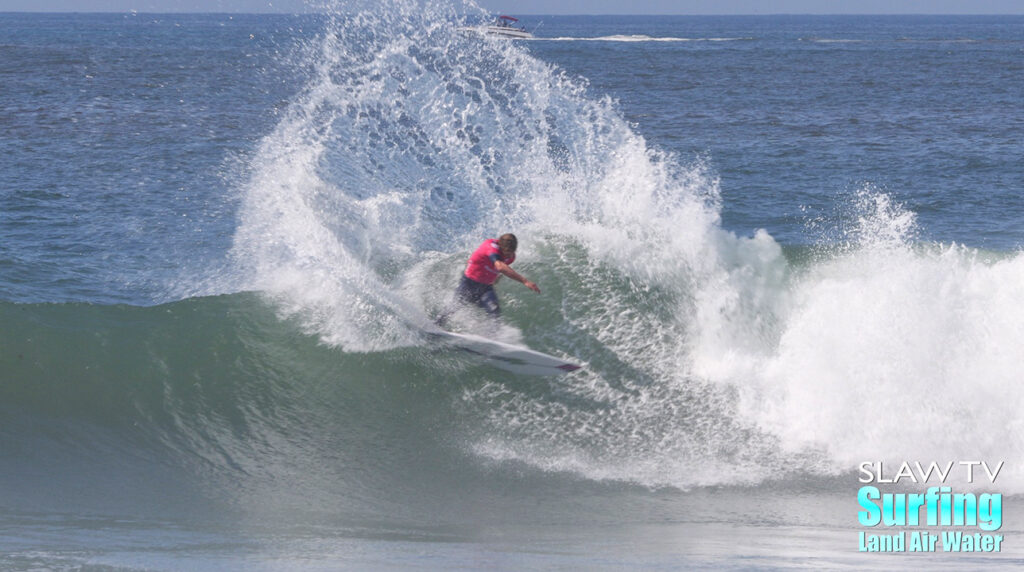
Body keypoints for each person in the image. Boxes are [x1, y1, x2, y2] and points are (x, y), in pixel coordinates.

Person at [438, 233, 540, 325]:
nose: (508, 255)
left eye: (511, 252)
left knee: (495, 311)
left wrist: (494, 282)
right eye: (506, 252)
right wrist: (525, 281)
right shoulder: (490, 247)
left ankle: (492, 337)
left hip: (486, 288)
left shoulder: (511, 257)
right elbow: (499, 266)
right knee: (454, 308)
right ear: (500, 247)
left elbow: (499, 271)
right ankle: (437, 325)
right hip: (469, 283)